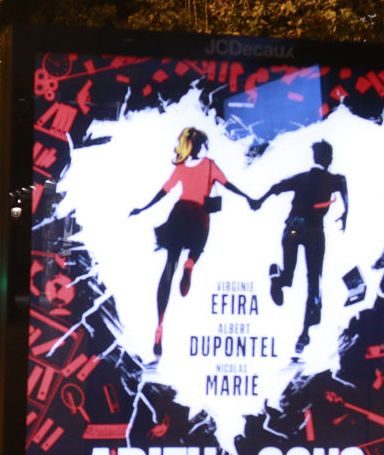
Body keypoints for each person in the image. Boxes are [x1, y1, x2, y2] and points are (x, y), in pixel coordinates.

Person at [130, 127, 256, 357]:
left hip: (179, 214)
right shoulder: (209, 165)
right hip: (199, 216)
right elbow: (228, 185)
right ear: (200, 146)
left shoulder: (180, 168)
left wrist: (143, 208)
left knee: (169, 269)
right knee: (199, 242)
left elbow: (164, 191)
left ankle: (159, 326)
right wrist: (249, 198)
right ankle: (190, 263)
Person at [252, 140, 349, 352]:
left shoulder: (302, 178)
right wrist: (345, 214)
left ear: (315, 157)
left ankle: (278, 279)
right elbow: (343, 186)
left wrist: (259, 200)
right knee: (314, 281)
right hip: (314, 232)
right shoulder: (334, 179)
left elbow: (277, 187)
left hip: (293, 229)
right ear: (328, 158)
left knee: (290, 277)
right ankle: (305, 332)